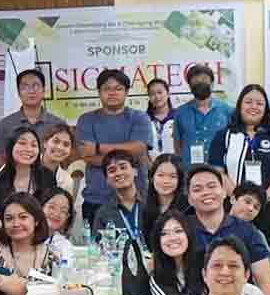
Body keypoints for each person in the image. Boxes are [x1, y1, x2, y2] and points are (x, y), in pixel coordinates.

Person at [182, 164, 270, 295]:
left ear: (223, 192)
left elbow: (265, 280)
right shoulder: (180, 228)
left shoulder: (248, 231)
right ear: (190, 199)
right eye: (197, 189)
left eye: (211, 186)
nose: (206, 192)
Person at [72, 68, 152, 210]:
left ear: (126, 92)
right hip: (97, 198)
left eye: (118, 89)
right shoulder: (86, 120)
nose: (112, 93)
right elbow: (88, 156)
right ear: (99, 92)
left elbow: (138, 149)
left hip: (136, 197)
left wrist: (97, 147)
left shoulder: (139, 117)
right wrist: (127, 161)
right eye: (107, 89)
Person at [0, 64, 70, 162]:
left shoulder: (58, 124)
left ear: (44, 91)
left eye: (36, 86)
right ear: (19, 93)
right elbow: (1, 159)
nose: (31, 91)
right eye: (25, 87)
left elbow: (64, 158)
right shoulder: (6, 124)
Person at [165, 62, 233, 170]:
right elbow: (177, 146)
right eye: (196, 81)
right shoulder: (180, 113)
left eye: (204, 79)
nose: (200, 83)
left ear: (212, 84)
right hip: (189, 172)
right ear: (190, 86)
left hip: (220, 172)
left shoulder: (228, 111)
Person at [144, 209, 208, 295]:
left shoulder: (206, 263)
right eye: (164, 233)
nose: (172, 238)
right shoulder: (158, 278)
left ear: (188, 234)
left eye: (178, 231)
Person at [0, 126, 54, 216]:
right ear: (10, 147)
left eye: (34, 145)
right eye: (22, 143)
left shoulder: (48, 177)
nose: (28, 149)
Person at [88, 148, 150, 243]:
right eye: (112, 170)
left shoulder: (152, 202)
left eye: (123, 167)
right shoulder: (103, 213)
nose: (118, 173)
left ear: (135, 171)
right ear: (107, 180)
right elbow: (97, 247)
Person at [143, 153, 187, 242]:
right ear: (152, 177)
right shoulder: (143, 206)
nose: (166, 181)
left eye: (172, 176)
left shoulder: (188, 208)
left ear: (180, 180)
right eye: (161, 175)